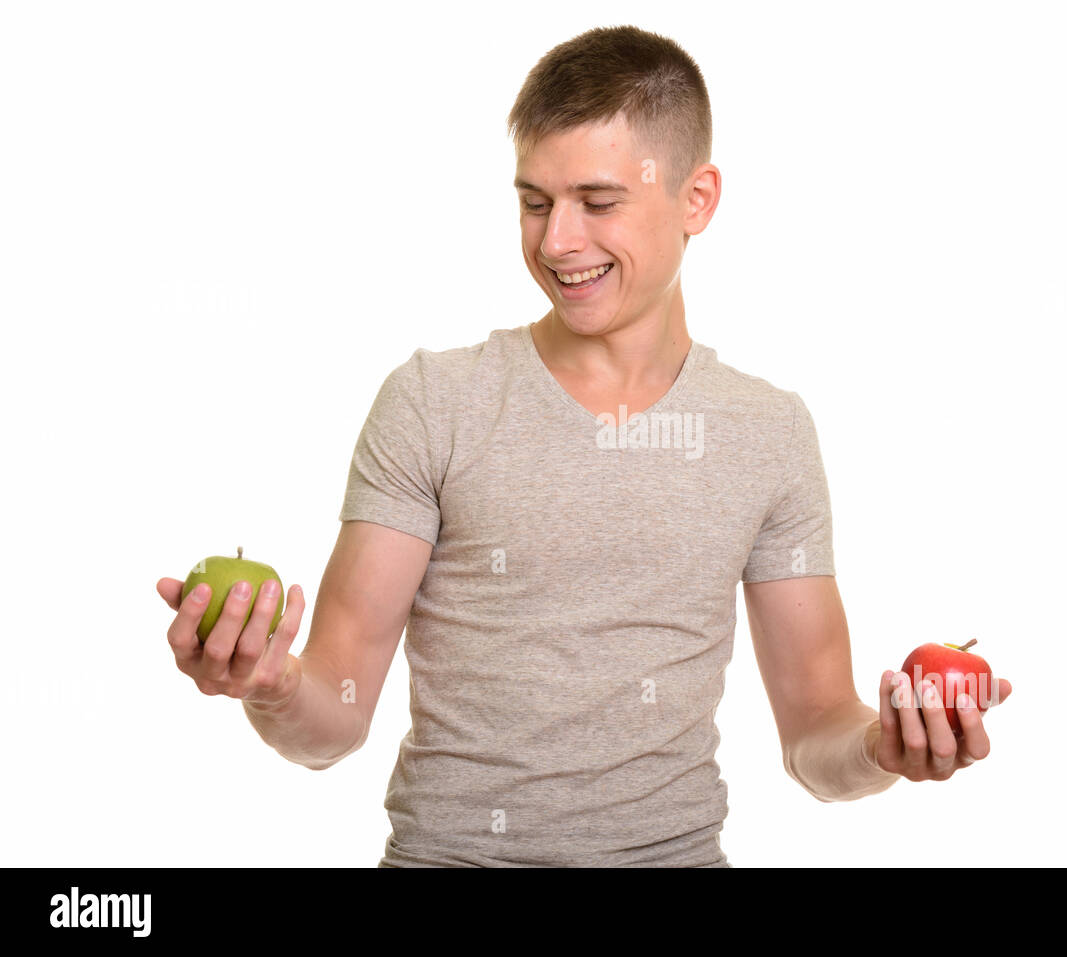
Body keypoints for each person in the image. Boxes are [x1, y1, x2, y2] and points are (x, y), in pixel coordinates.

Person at [157, 24, 1011, 867]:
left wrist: (884, 751)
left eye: (597, 202)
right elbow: (333, 718)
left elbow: (818, 734)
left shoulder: (769, 431)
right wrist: (270, 684)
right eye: (534, 202)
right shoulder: (433, 401)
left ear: (697, 199)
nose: (556, 240)